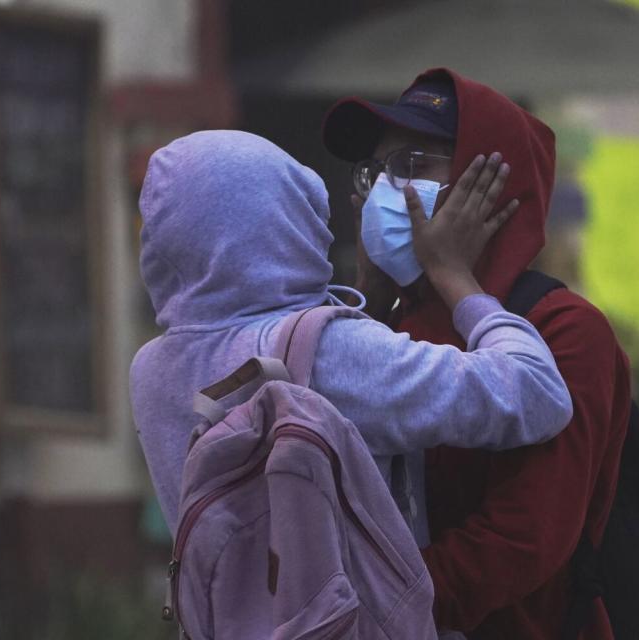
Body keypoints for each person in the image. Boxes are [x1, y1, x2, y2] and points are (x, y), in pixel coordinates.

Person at [129, 130, 574, 554]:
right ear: (293, 218)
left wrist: (368, 294)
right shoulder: (333, 352)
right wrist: (455, 275)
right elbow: (535, 392)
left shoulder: (149, 370)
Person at [322, 68, 632, 639]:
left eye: (413, 165)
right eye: (376, 173)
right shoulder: (394, 327)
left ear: (490, 184)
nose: (385, 191)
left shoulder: (565, 330)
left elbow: (524, 537)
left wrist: (378, 614)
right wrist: (370, 306)